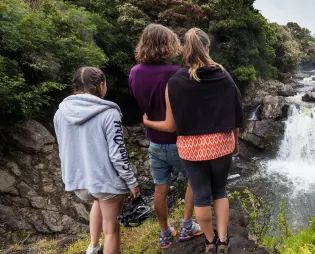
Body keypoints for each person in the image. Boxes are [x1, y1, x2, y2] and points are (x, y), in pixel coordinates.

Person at [143, 28, 244, 254]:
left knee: (201, 196)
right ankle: (224, 241)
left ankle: (209, 243)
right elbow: (236, 113)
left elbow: (170, 125)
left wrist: (147, 122)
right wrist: (235, 142)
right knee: (220, 191)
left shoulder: (175, 81)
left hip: (190, 148)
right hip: (220, 144)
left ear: (184, 50)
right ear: (207, 47)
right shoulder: (223, 75)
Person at [129, 23, 202, 248]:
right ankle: (187, 225)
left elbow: (140, 103)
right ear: (168, 45)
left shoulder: (134, 72)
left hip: (154, 142)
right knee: (195, 180)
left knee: (160, 188)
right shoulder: (176, 73)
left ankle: (164, 233)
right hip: (179, 141)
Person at [54, 67, 140, 254]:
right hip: (105, 182)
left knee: (97, 201)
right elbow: (118, 154)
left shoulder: (60, 114)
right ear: (101, 86)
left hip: (79, 182)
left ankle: (93, 246)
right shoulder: (110, 113)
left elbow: (63, 149)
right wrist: (132, 183)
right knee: (111, 231)